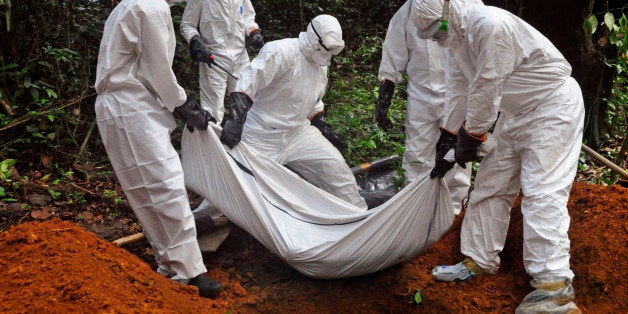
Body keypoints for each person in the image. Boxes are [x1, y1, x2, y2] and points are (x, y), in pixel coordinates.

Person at [412, 0, 585, 312]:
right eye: (432, 36)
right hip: (513, 113)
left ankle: (553, 287)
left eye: (439, 31)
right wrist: (449, 135)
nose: (438, 39)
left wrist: (472, 133)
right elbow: (460, 89)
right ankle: (479, 259)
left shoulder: (491, 24)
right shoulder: (457, 42)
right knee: (491, 184)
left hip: (552, 107)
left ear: (451, 11)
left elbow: (487, 84)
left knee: (542, 191)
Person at [94, 0, 222, 298]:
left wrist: (179, 104)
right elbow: (157, 68)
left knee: (151, 191)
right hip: (129, 105)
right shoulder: (150, 7)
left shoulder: (135, 4)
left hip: (128, 106)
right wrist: (184, 105)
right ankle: (189, 272)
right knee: (165, 186)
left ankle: (172, 267)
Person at [219, 14, 368, 210]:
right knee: (236, 188)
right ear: (315, 39)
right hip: (261, 135)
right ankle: (206, 219)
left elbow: (313, 102)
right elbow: (247, 83)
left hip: (298, 132)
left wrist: (324, 126)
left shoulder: (320, 65)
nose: (329, 55)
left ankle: (358, 214)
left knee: (336, 170)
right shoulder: (281, 51)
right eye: (328, 49)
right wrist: (236, 121)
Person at [375, 0, 471, 214]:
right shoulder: (408, 10)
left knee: (455, 153)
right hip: (421, 95)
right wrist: (386, 92)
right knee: (417, 153)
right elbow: (394, 50)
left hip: (457, 94)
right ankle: (414, 209)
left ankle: (453, 210)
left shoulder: (466, 5)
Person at [180, 0, 264, 125]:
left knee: (245, 106)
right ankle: (210, 143)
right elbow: (187, 24)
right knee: (212, 111)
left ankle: (241, 142)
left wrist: (253, 32)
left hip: (240, 57)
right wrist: (194, 40)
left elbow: (247, 17)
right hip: (213, 59)